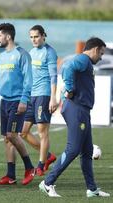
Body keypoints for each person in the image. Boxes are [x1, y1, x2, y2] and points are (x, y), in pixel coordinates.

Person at [39, 37, 110, 198]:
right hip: (76, 108)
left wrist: (68, 91)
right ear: (94, 49)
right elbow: (67, 67)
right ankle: (47, 182)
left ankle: (92, 189)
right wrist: (69, 89)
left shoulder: (85, 62)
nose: (101, 57)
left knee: (87, 151)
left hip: (81, 110)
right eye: (101, 53)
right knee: (73, 149)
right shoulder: (83, 59)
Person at [0, 23, 35, 186]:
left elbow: (29, 80)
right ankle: (10, 175)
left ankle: (30, 167)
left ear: (8, 36)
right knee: (7, 139)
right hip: (5, 101)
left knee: (12, 135)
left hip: (17, 101)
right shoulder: (1, 57)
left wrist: (23, 99)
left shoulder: (22, 54)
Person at [20, 25, 58, 176]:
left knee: (43, 132)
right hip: (31, 95)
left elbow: (54, 77)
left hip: (43, 95)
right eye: (31, 37)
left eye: (36, 36)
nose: (34, 40)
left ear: (43, 36)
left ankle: (41, 165)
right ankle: (48, 156)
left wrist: (53, 98)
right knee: (23, 132)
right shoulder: (32, 52)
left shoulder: (50, 52)